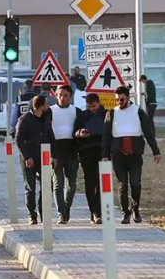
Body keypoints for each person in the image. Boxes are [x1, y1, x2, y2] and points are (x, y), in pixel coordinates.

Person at [102, 86, 161, 225]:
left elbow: (148, 133)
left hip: (135, 155)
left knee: (135, 183)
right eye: (116, 100)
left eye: (121, 99)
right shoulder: (111, 113)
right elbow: (106, 136)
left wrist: (156, 151)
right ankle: (125, 213)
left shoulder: (138, 112)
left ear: (128, 98)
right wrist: (104, 155)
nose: (119, 102)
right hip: (118, 155)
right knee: (122, 185)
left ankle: (135, 209)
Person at [15, 95, 53, 225]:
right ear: (41, 106)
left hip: (44, 157)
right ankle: (32, 214)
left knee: (47, 186)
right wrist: (27, 157)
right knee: (30, 188)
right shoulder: (24, 119)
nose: (48, 106)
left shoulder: (47, 117)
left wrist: (54, 155)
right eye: (46, 104)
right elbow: (18, 140)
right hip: (29, 158)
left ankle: (44, 212)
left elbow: (50, 136)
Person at [47, 85, 80, 225]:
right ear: (56, 95)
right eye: (60, 95)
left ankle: (66, 208)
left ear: (70, 96)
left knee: (71, 185)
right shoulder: (50, 111)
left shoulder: (76, 111)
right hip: (56, 151)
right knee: (57, 184)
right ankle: (61, 213)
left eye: (65, 95)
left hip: (71, 150)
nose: (62, 97)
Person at [74, 93, 106, 224]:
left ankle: (98, 212)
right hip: (87, 153)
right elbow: (74, 133)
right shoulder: (82, 116)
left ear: (99, 103)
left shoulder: (106, 115)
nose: (92, 109)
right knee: (90, 183)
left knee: (101, 184)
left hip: (103, 153)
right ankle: (93, 212)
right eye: (89, 106)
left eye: (94, 106)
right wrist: (80, 133)